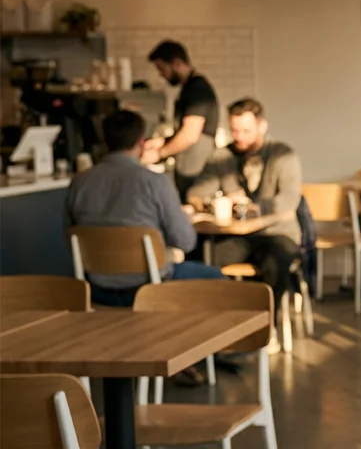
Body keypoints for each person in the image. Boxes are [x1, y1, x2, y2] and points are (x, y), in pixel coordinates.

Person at [65, 109, 224, 307]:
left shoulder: (79, 183)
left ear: (104, 141)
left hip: (96, 288)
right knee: (216, 278)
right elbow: (186, 242)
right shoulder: (156, 183)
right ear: (141, 142)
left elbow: (70, 238)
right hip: (150, 288)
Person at [189, 98, 302, 302]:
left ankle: (266, 325)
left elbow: (289, 200)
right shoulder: (222, 156)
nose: (239, 137)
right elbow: (196, 193)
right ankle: (224, 319)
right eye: (235, 131)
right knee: (203, 261)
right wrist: (218, 202)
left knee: (273, 265)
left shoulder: (282, 154)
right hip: (237, 237)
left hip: (276, 233)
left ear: (262, 126)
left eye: (246, 131)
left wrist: (252, 209)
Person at [143, 40, 220, 199]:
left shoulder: (197, 89)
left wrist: (159, 153)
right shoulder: (189, 88)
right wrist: (162, 142)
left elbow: (190, 134)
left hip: (197, 167)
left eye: (162, 69)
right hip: (189, 163)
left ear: (177, 63)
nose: (161, 75)